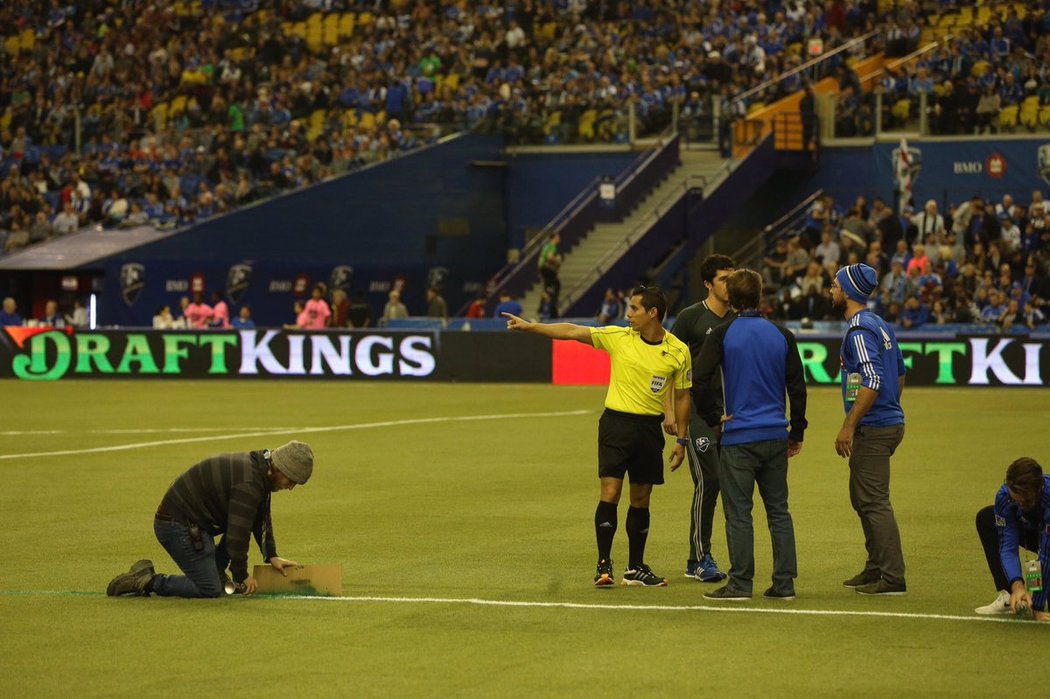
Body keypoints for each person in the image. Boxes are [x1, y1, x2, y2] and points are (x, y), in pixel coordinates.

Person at [503, 285, 691, 587]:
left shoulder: (679, 351)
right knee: (611, 492)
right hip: (616, 425)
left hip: (648, 430)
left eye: (634, 309)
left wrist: (681, 440)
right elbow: (572, 331)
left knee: (642, 498)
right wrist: (531, 327)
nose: (628, 314)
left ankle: (636, 568)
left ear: (652, 313)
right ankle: (604, 565)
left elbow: (682, 396)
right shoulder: (618, 338)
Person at [693, 269, 807, 601]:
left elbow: (700, 379)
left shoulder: (723, 333)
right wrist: (796, 430)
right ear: (760, 296)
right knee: (778, 511)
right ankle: (784, 584)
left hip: (738, 436)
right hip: (774, 434)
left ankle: (741, 583)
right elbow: (797, 388)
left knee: (738, 513)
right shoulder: (782, 334)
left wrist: (715, 418)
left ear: (731, 296)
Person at [106, 441, 314, 598]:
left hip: (195, 524)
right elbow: (237, 535)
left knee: (240, 523)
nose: (290, 487)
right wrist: (241, 575)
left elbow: (260, 517)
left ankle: (214, 569)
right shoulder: (249, 482)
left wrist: (271, 556)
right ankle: (147, 580)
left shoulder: (260, 469)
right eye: (291, 480)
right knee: (209, 588)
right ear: (280, 468)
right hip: (175, 525)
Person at [830, 263, 908, 596]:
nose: (831, 289)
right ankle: (875, 566)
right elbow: (899, 372)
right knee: (862, 498)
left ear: (847, 291)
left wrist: (850, 425)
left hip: (874, 428)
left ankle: (892, 577)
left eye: (835, 284)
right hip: (886, 422)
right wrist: (891, 406)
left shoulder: (859, 329)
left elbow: (873, 379)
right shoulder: (879, 324)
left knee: (873, 502)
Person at [668, 254, 736, 583]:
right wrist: (668, 411)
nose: (730, 284)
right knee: (708, 479)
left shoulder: (740, 320)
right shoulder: (690, 318)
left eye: (733, 278)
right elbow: (667, 364)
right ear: (708, 284)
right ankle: (697, 558)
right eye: (724, 278)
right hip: (693, 411)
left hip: (729, 414)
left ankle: (719, 553)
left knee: (726, 482)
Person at [974, 457, 1050, 619]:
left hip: (1046, 535)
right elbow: (1007, 546)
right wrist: (1017, 586)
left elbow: (1046, 554)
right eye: (1016, 497)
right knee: (987, 517)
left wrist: (1035, 607)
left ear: (1039, 489)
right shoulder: (1005, 497)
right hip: (1032, 530)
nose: (1020, 502)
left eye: (1025, 499)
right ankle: (1009, 597)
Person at [538, 232, 562, 305]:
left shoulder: (546, 246)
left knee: (547, 286)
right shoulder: (552, 246)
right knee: (557, 284)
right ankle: (553, 302)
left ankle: (543, 304)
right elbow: (550, 257)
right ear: (554, 238)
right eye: (558, 238)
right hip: (547, 268)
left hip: (542, 267)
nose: (559, 239)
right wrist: (557, 260)